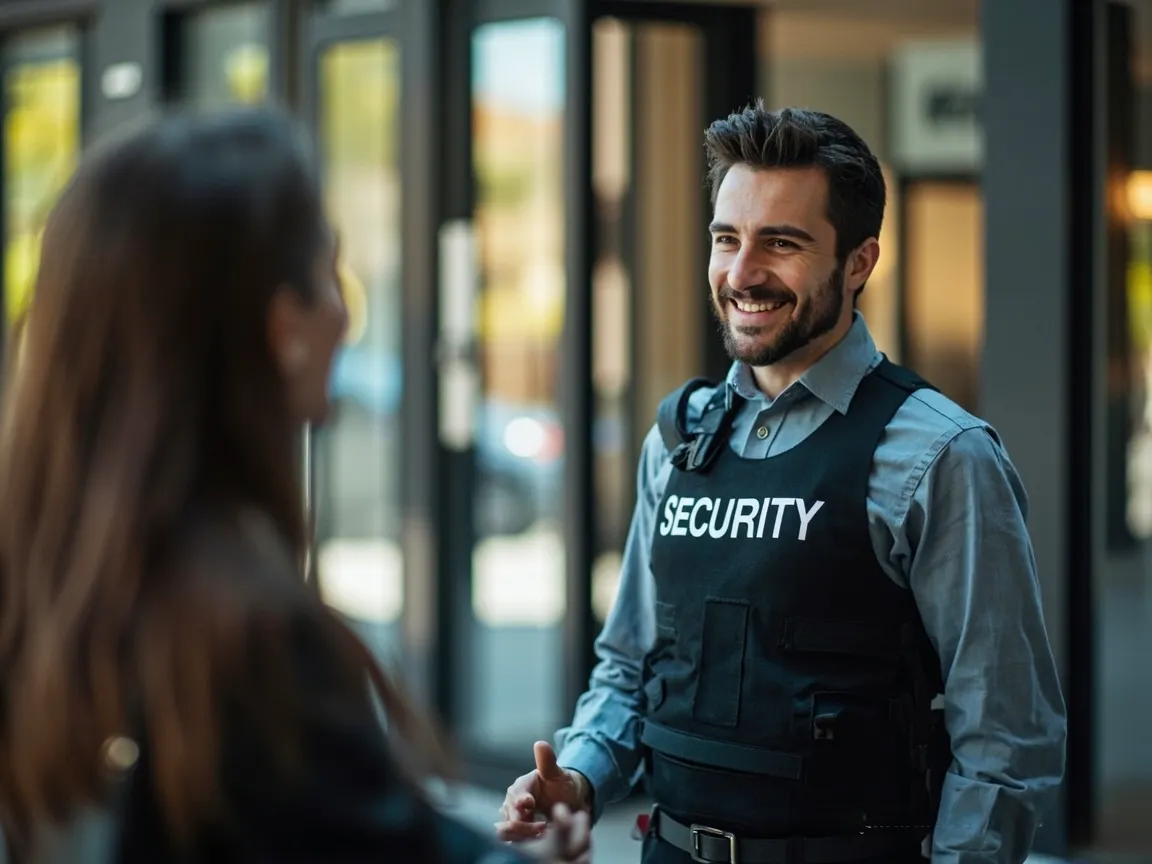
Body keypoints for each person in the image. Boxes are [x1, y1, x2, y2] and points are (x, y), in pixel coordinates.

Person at [0, 107, 589, 864]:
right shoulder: (242, 641)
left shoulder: (53, 583)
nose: (345, 312)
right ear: (283, 327)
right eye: (327, 274)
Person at [496, 103, 1067, 863]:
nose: (741, 273)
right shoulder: (677, 444)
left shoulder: (939, 456)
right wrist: (580, 776)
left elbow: (1004, 740)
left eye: (782, 243)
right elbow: (631, 669)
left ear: (858, 262)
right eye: (726, 239)